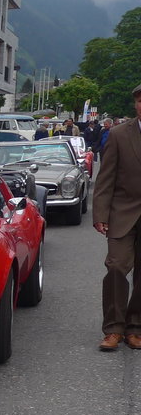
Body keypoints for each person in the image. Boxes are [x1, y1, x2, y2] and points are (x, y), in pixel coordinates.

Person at [93, 84, 141, 350]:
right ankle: (113, 329)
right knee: (116, 267)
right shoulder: (119, 134)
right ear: (135, 104)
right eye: (139, 101)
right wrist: (100, 213)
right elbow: (105, 178)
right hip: (122, 214)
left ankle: (135, 327)